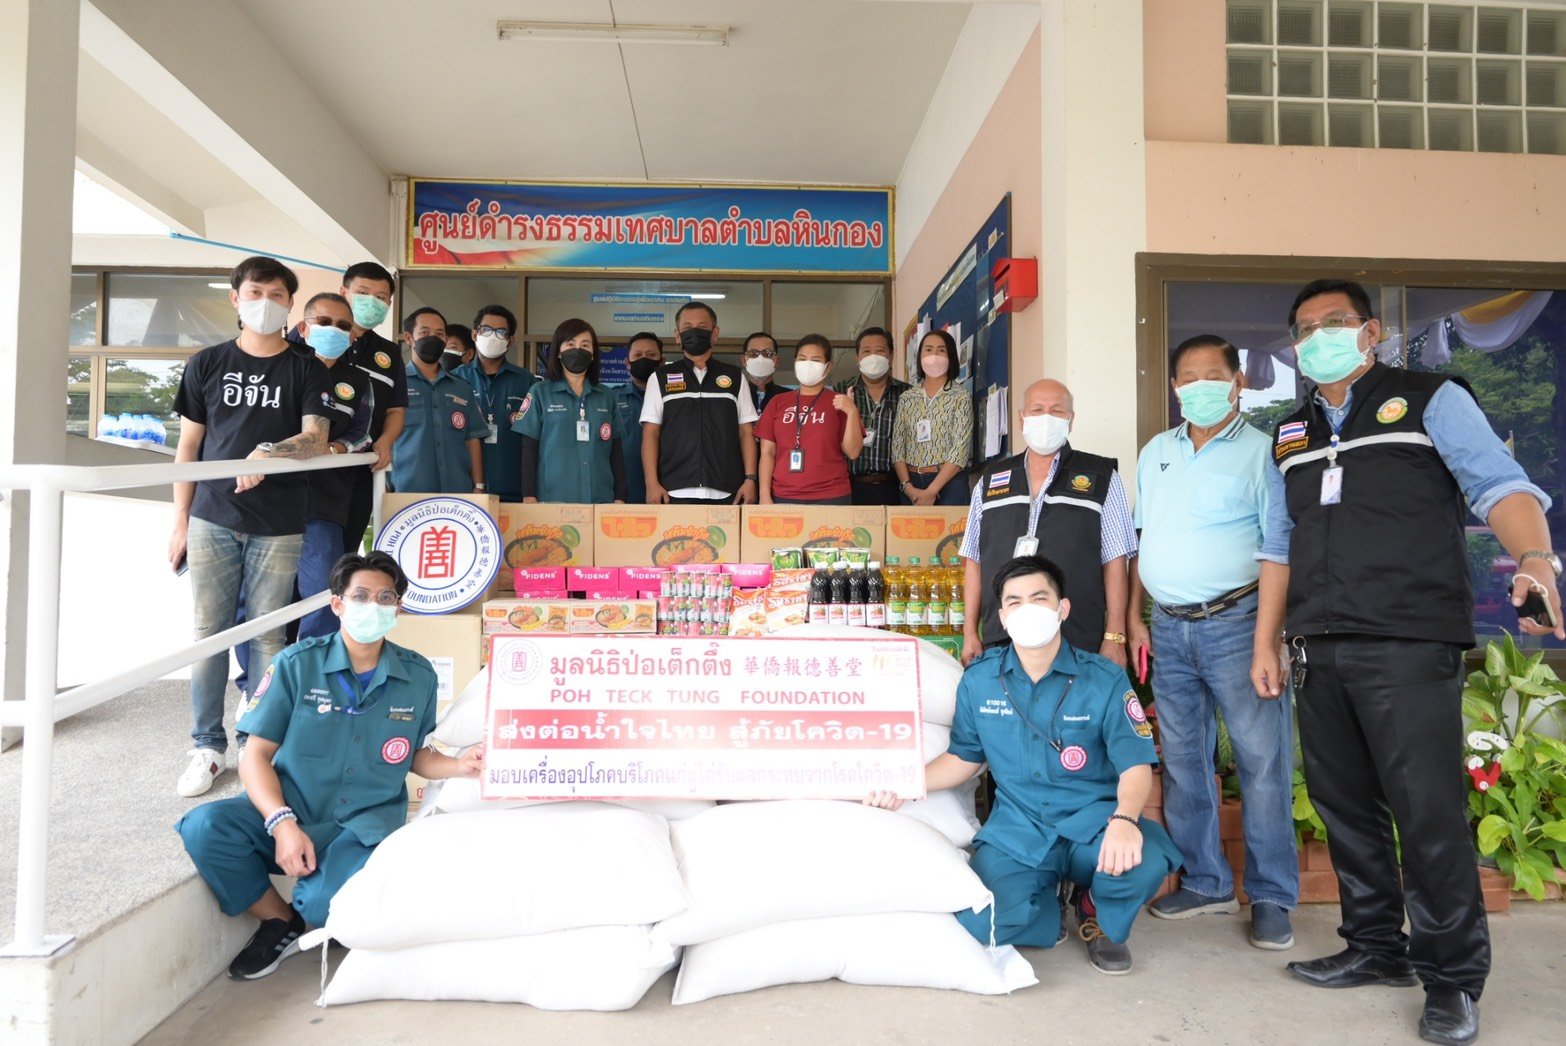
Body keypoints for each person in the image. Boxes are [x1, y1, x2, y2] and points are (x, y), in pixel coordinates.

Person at [1252, 279, 1562, 1046]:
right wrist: (1268, 640)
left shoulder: (1430, 400)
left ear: (1370, 331)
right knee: (1345, 807)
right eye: (1304, 328)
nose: (1318, 337)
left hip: (1407, 640)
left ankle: (1452, 980)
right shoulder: (1288, 434)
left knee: (1428, 816)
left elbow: (1500, 486)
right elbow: (1279, 544)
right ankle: (1374, 947)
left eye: (1334, 322)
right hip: (1318, 645)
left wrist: (1535, 559)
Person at [175, 552, 484, 980]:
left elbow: (414, 754)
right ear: (337, 604)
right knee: (205, 827)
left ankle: (310, 911)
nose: (373, 606)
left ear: (398, 609)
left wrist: (459, 764)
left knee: (324, 908)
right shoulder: (296, 664)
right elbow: (254, 755)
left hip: (362, 823)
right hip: (292, 806)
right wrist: (282, 823)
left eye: (385, 598)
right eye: (361, 596)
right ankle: (278, 920)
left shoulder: (419, 677)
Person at [866, 555, 1179, 975]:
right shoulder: (980, 680)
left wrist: (1124, 819)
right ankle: (1048, 906)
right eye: (1014, 601)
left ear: (1062, 608)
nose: (1027, 609)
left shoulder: (1103, 679)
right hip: (1019, 830)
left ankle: (1096, 913)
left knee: (1144, 858)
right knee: (983, 925)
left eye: (1039, 598)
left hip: (1094, 823)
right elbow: (963, 758)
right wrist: (907, 782)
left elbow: (1136, 764)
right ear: (1002, 616)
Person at [1127, 335, 1297, 949]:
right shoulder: (1156, 451)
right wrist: (1135, 617)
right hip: (1168, 627)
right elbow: (1142, 539)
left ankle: (1272, 895)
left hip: (1238, 624)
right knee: (1184, 761)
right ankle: (1205, 881)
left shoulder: (1264, 452)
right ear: (1175, 388)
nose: (1200, 387)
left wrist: (1268, 639)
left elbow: (1278, 550)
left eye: (1213, 376)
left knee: (1262, 761)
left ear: (1237, 383)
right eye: (1188, 378)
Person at [168, 255, 333, 797]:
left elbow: (315, 437)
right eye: (256, 292)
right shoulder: (207, 363)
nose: (266, 303)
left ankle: (255, 744)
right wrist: (179, 520)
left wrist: (269, 451)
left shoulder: (306, 368)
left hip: (279, 522)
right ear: (235, 298)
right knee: (208, 635)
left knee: (268, 636)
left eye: (277, 295)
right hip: (211, 516)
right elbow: (188, 447)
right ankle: (206, 747)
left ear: (290, 304)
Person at [960, 379, 1136, 667]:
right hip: (1003, 638)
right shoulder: (990, 480)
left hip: (1077, 637)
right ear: (1021, 419)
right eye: (1037, 410)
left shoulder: (1101, 476)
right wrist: (970, 632)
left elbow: (1115, 561)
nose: (1046, 418)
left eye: (1056, 411)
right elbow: (973, 561)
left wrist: (1114, 636)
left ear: (1071, 420)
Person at [290, 293, 373, 640]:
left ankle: (313, 664)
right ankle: (262, 673)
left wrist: (333, 447)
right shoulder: (282, 367)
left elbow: (362, 432)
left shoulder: (357, 381)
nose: (333, 330)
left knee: (325, 596)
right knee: (260, 604)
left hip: (326, 501)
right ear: (303, 327)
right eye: (323, 322)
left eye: (342, 326)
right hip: (269, 499)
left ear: (352, 336)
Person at [640, 301, 760, 505]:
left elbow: (746, 432)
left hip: (727, 491)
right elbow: (651, 433)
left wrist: (750, 480)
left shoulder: (735, 377)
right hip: (673, 491)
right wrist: (651, 483)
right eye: (687, 327)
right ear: (677, 335)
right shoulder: (660, 377)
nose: (694, 332)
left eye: (702, 327)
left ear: (715, 333)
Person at [514, 318, 626, 504]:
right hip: (552, 500)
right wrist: (529, 495)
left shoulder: (607, 396)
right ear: (558, 352)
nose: (578, 350)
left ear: (593, 354)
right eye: (570, 344)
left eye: (585, 345)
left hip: (601, 500)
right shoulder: (540, 393)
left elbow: (616, 451)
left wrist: (620, 497)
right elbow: (529, 449)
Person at [339, 262, 404, 555]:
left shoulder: (389, 352)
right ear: (344, 292)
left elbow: (395, 409)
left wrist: (385, 441)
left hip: (362, 469)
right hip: (312, 469)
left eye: (381, 298)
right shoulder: (313, 337)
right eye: (363, 293)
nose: (372, 302)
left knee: (347, 549)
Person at [390, 307, 488, 495]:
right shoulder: (394, 384)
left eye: (439, 334)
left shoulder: (461, 387)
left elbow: (472, 438)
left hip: (457, 493)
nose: (432, 338)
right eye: (424, 332)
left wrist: (478, 486)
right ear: (409, 338)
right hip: (406, 492)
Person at [757, 334, 863, 505]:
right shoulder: (777, 402)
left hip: (832, 495)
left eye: (816, 360)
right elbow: (767, 453)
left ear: (828, 367)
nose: (808, 364)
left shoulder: (840, 402)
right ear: (795, 363)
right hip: (784, 494)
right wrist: (764, 495)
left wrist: (852, 412)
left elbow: (853, 452)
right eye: (802, 359)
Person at [454, 304, 537, 503]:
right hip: (467, 489)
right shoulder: (455, 380)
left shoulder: (526, 381)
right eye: (486, 330)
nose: (493, 336)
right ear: (475, 334)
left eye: (501, 332)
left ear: (511, 340)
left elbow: (533, 438)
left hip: (514, 487)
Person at [891, 329, 971, 507]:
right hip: (911, 483)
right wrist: (907, 487)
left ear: (951, 356)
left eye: (941, 350)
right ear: (920, 355)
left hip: (950, 482)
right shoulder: (907, 398)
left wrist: (931, 491)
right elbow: (897, 448)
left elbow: (960, 450)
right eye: (928, 349)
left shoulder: (961, 396)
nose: (934, 355)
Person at [836, 326, 910, 505]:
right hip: (849, 486)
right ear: (858, 358)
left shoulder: (907, 394)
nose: (873, 356)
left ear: (891, 355)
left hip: (892, 486)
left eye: (879, 351)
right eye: (866, 351)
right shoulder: (841, 391)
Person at [614, 331, 663, 503]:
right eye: (638, 355)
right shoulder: (612, 398)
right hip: (623, 492)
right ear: (627, 363)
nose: (644, 359)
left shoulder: (673, 400)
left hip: (665, 490)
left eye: (651, 355)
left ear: (662, 361)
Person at [740, 331, 793, 418]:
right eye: (753, 353)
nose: (760, 359)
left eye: (767, 353)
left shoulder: (790, 397)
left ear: (777, 361)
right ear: (744, 361)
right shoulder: (735, 396)